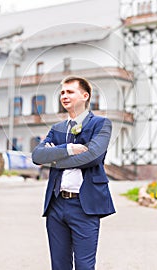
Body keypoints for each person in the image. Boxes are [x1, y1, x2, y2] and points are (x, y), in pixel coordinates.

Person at [32, 76, 116, 270]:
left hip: (85, 206)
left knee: (84, 266)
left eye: (70, 92)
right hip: (56, 205)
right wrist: (68, 149)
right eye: (62, 92)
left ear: (85, 96)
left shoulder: (101, 124)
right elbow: (37, 156)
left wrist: (54, 160)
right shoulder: (57, 128)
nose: (64, 96)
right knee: (59, 266)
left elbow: (93, 156)